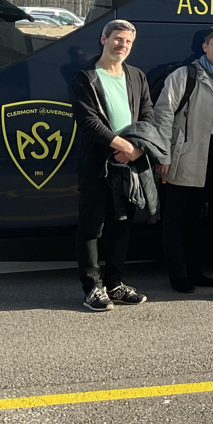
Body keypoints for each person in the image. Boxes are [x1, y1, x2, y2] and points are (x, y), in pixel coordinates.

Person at [72, 19, 154, 312]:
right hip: (98, 164)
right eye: (118, 39)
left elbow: (147, 115)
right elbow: (89, 122)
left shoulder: (137, 76)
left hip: (128, 166)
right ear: (104, 39)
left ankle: (115, 284)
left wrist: (137, 149)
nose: (123, 45)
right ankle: (92, 288)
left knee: (121, 227)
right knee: (92, 227)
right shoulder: (85, 77)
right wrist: (124, 147)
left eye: (128, 41)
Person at [153, 26, 213, 293]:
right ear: (204, 47)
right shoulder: (184, 75)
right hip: (184, 152)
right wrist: (163, 154)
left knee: (196, 216)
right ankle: (177, 274)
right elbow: (163, 114)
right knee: (175, 216)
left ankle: (194, 270)